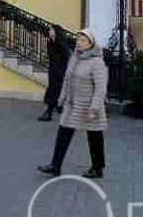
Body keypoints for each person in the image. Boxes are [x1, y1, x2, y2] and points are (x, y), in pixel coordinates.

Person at [37, 29, 108, 179]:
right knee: (63, 132)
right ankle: (55, 165)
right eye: (78, 40)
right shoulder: (75, 58)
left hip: (89, 106)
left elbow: (101, 88)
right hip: (73, 104)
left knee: (94, 136)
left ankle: (97, 167)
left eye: (83, 41)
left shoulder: (97, 62)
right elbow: (67, 81)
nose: (79, 43)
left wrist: (93, 109)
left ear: (91, 43)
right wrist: (61, 100)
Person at [37, 25, 72, 121]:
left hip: (60, 70)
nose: (49, 31)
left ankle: (50, 112)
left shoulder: (61, 43)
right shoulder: (50, 42)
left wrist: (61, 68)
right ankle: (56, 109)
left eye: (51, 30)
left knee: (55, 90)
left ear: (56, 32)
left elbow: (67, 55)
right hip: (53, 69)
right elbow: (51, 55)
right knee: (54, 90)